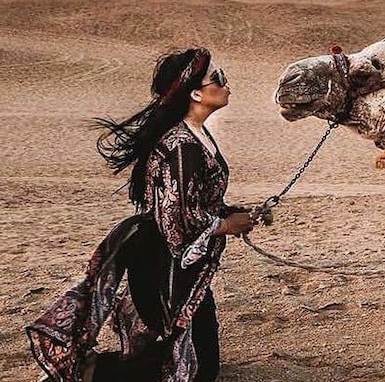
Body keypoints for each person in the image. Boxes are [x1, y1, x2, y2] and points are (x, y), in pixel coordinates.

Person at [26, 47, 253, 382]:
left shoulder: (194, 136)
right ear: (195, 93)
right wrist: (225, 224)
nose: (226, 84)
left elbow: (191, 201)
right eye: (217, 79)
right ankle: (93, 373)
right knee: (202, 371)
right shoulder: (181, 146)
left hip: (175, 262)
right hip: (165, 265)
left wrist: (236, 213)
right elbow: (176, 219)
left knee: (199, 354)